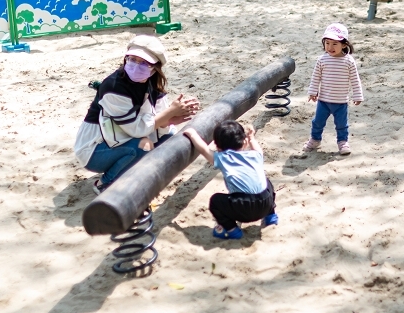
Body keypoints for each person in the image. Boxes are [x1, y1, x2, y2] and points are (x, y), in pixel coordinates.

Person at [74, 35, 199, 194]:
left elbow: (157, 123)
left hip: (121, 136)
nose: (135, 65)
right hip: (94, 149)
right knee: (143, 146)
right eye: (132, 59)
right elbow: (137, 130)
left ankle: (135, 173)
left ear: (154, 68)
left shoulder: (153, 84)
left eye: (143, 62)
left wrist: (170, 120)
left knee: (169, 139)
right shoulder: (113, 87)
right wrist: (170, 112)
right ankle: (105, 183)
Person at [183, 122, 278, 240]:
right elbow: (257, 148)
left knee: (215, 201)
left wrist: (193, 135)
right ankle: (271, 216)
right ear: (244, 142)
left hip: (244, 209)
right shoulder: (255, 155)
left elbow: (203, 149)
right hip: (265, 204)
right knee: (266, 181)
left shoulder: (222, 158)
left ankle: (232, 230)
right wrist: (252, 138)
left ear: (218, 147)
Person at [303, 23, 364, 155]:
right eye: (327, 43)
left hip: (341, 102)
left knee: (342, 124)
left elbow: (355, 79)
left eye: (335, 44)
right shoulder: (322, 60)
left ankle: (342, 142)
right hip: (323, 100)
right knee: (317, 122)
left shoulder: (349, 61)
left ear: (344, 44)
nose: (330, 47)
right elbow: (316, 77)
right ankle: (315, 139)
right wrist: (313, 92)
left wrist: (358, 95)